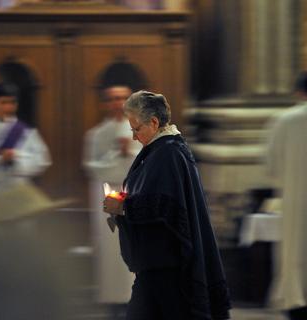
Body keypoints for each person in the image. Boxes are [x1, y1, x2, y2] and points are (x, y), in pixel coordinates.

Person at [103, 90, 231, 320]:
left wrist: (122, 207)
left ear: (153, 122)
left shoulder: (168, 153)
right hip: (157, 263)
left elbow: (164, 207)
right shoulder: (163, 150)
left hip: (167, 266)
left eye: (136, 129)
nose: (133, 137)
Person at [82, 84, 141, 311]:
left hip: (135, 192)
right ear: (105, 103)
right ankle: (111, 300)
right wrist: (117, 155)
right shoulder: (96, 134)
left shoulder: (143, 131)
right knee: (110, 246)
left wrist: (130, 153)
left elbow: (150, 163)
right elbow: (90, 166)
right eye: (113, 98)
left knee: (134, 243)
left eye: (123, 98)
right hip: (108, 193)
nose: (118, 103)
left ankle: (136, 299)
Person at [266, 72, 307, 320]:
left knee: (296, 255)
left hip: (295, 200)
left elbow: (272, 166)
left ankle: (296, 301)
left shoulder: (285, 120)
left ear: (298, 92)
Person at [0, 82, 51, 198]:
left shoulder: (26, 131)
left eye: (12, 103)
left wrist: (16, 157)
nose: (7, 107)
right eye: (3, 103)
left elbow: (42, 161)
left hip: (18, 193)